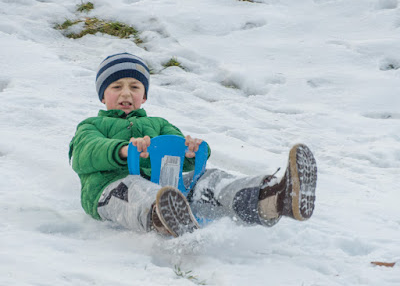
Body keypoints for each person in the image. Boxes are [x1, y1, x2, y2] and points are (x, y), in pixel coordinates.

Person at [69, 52, 317, 237]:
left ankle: (272, 198)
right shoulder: (92, 126)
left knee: (208, 180)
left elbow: (181, 153)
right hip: (109, 191)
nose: (126, 93)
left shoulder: (158, 124)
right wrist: (122, 149)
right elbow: (85, 152)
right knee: (135, 189)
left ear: (144, 96)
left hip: (167, 188)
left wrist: (193, 150)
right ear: (103, 95)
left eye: (134, 87)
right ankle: (163, 218)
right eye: (116, 87)